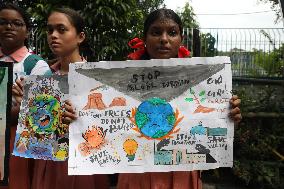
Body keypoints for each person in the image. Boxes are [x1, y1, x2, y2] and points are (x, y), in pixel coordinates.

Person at [117, 8, 242, 189]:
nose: (164, 39)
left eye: (172, 33)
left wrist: (228, 118)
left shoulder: (203, 83)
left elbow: (211, 131)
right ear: (144, 38)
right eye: (156, 32)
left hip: (182, 172)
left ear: (181, 39)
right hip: (137, 172)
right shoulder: (121, 81)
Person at [30, 7, 109, 189]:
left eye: (61, 29)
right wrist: (24, 103)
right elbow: (35, 130)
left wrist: (81, 119)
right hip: (49, 161)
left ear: (80, 37)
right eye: (50, 30)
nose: (53, 35)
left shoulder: (97, 79)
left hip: (85, 159)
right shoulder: (42, 79)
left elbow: (111, 126)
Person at [0, 3, 51, 189]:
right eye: (3, 22)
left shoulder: (35, 65)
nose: (8, 27)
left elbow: (41, 113)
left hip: (17, 140)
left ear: (27, 32)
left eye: (16, 23)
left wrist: (18, 110)